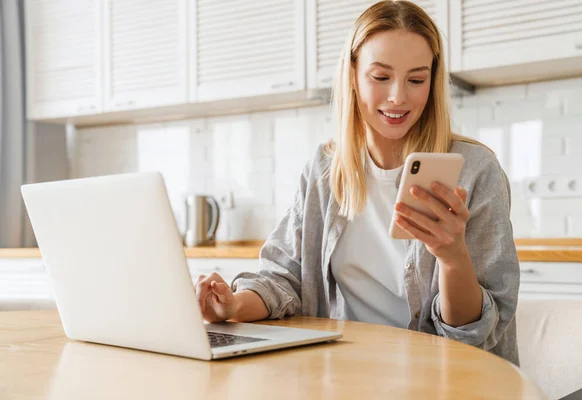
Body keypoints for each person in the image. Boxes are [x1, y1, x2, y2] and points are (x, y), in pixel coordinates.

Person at [194, 0, 520, 365]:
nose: (398, 96)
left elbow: (476, 335)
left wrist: (453, 258)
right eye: (380, 77)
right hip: (349, 372)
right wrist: (233, 305)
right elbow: (283, 280)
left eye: (416, 79)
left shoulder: (474, 170)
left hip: (446, 375)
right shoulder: (325, 168)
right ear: (352, 73)